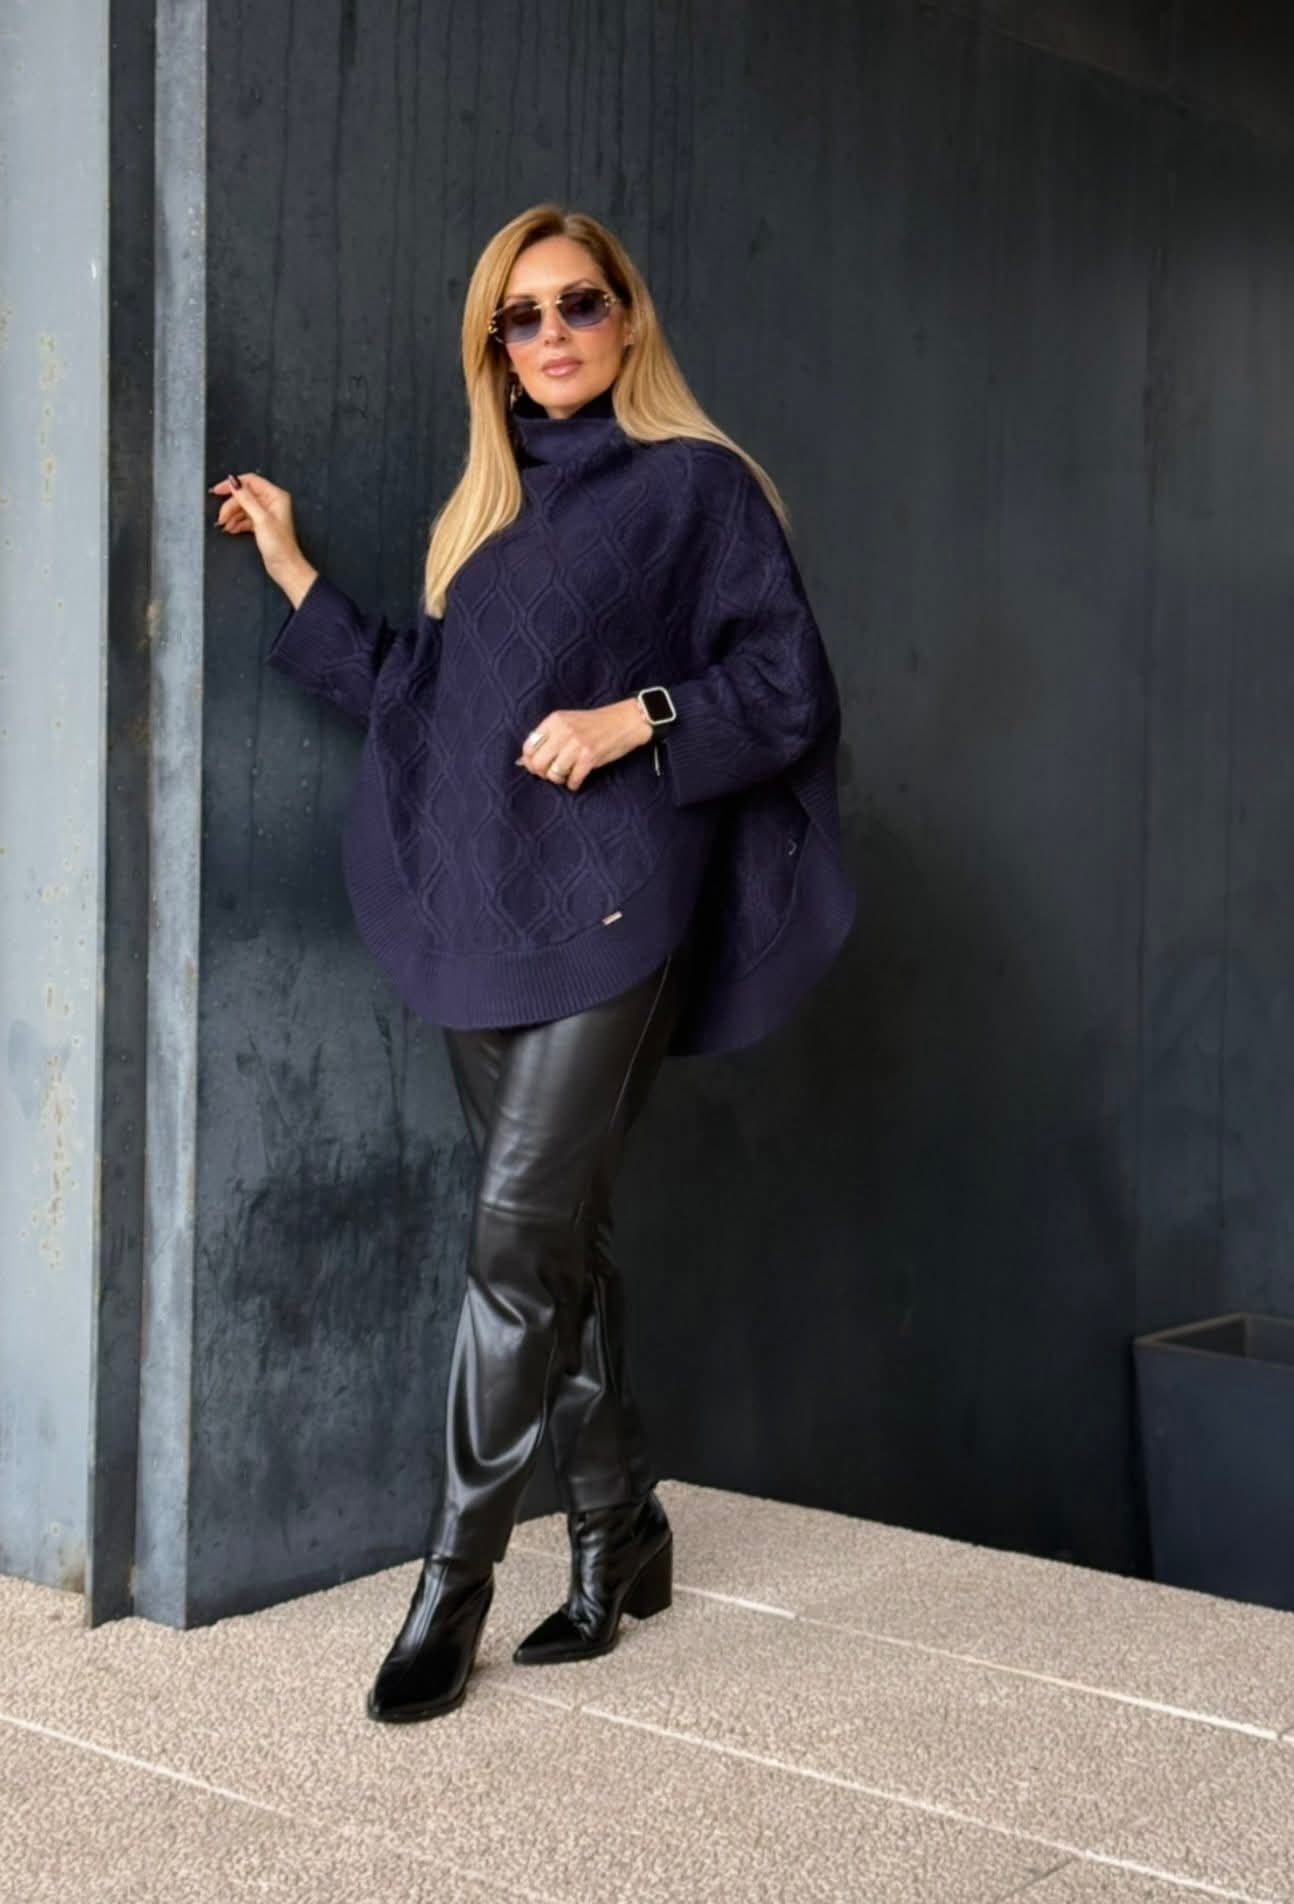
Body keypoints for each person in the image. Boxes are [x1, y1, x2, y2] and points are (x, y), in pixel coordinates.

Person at [209, 202, 856, 1724]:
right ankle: (620, 1527)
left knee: (512, 1244)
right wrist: (294, 569)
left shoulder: (695, 486)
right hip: (485, 912)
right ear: (493, 351)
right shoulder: (485, 518)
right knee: (563, 1239)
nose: (553, 332)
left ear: (628, 317)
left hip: (620, 908)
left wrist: (639, 717)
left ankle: (453, 1582)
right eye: (523, 315)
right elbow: (418, 698)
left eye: (579, 303)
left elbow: (787, 682)